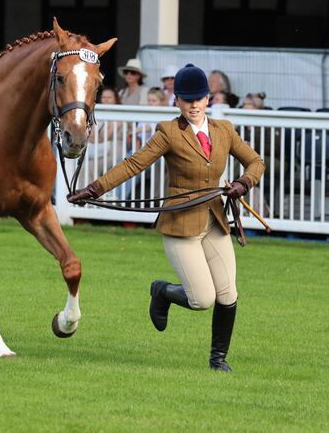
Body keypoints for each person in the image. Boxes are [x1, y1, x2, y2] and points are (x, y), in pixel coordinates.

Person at [68, 64, 265, 373]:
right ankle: (161, 291)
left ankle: (217, 360)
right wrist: (94, 188)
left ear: (208, 99)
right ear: (177, 101)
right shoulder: (168, 132)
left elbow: (255, 161)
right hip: (180, 224)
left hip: (214, 220)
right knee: (202, 300)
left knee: (227, 293)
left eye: (199, 98)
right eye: (188, 100)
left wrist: (243, 182)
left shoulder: (224, 130)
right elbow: (134, 164)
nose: (195, 105)